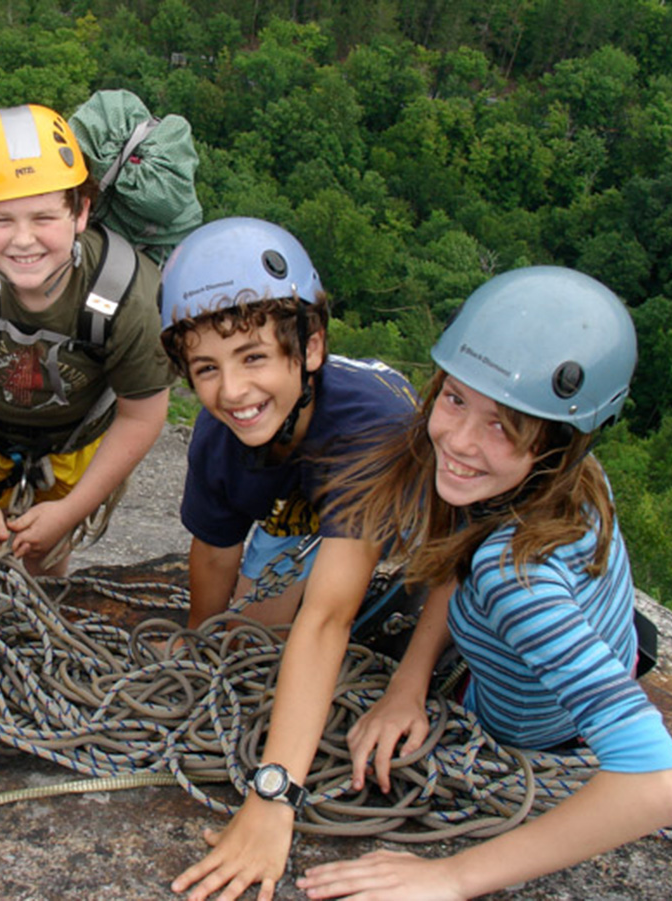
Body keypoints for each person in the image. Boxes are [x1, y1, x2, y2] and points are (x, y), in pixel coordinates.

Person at [296, 266, 672, 900]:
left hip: (530, 733)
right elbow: (465, 547)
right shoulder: (565, 479)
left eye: (504, 425)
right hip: (575, 661)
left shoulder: (517, 583)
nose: (459, 440)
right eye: (455, 398)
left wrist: (452, 877)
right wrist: (409, 682)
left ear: (558, 443)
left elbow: (662, 786)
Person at [158, 217, 418, 901]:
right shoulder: (221, 437)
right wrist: (200, 651)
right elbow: (214, 553)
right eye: (206, 368)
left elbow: (329, 619)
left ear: (310, 350)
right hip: (291, 503)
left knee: (334, 620)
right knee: (253, 647)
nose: (232, 391)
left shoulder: (369, 428)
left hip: (389, 497)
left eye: (253, 357)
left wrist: (273, 796)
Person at [0, 103, 174, 576]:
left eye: (44, 218)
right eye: (1, 220)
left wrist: (67, 514)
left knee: (46, 551)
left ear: (81, 212)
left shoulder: (130, 295)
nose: (23, 239)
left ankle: (32, 623)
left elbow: (143, 412)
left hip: (77, 437)